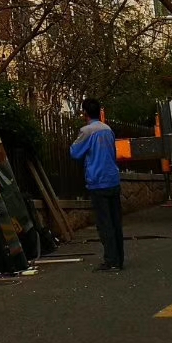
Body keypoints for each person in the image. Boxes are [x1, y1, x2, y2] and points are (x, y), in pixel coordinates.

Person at [70, 97, 124, 272]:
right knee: (115, 221)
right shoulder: (108, 129)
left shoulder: (87, 131)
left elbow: (75, 153)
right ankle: (119, 258)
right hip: (112, 178)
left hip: (97, 181)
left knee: (104, 223)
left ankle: (111, 260)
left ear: (85, 113)